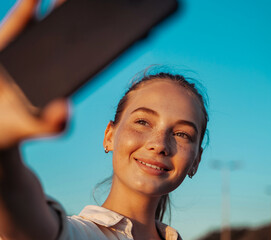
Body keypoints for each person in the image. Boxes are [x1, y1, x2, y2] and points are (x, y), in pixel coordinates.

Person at [0, 1, 209, 240]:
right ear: (109, 136)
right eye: (143, 122)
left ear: (196, 161)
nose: (160, 144)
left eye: (182, 134)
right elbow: (19, 209)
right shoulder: (75, 234)